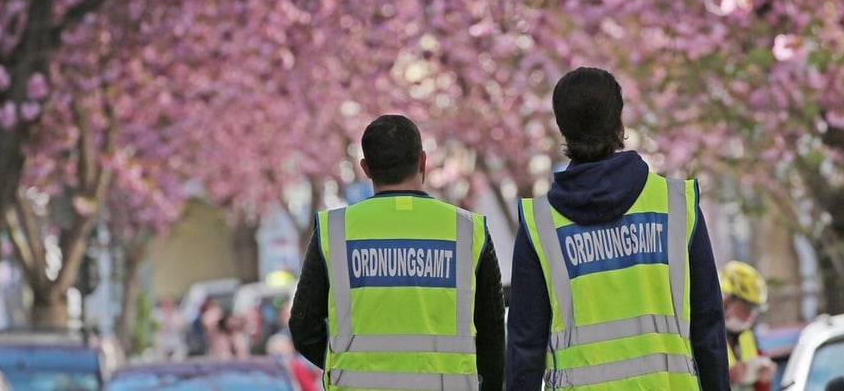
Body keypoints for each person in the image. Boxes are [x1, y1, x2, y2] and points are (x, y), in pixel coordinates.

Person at [505, 67, 730, 390]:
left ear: (562, 130)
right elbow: (708, 329)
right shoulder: (676, 206)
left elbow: (525, 350)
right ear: (620, 121)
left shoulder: (541, 224)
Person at [289, 114, 505, 390]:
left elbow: (303, 326)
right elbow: (493, 336)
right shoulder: (467, 231)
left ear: (366, 168)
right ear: (423, 161)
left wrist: (347, 365)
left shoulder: (335, 231)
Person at [719, 261, 776, 390]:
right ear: (724, 301)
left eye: (755, 310)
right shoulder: (704, 336)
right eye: (745, 308)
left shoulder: (748, 338)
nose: (750, 315)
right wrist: (728, 377)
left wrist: (764, 378)